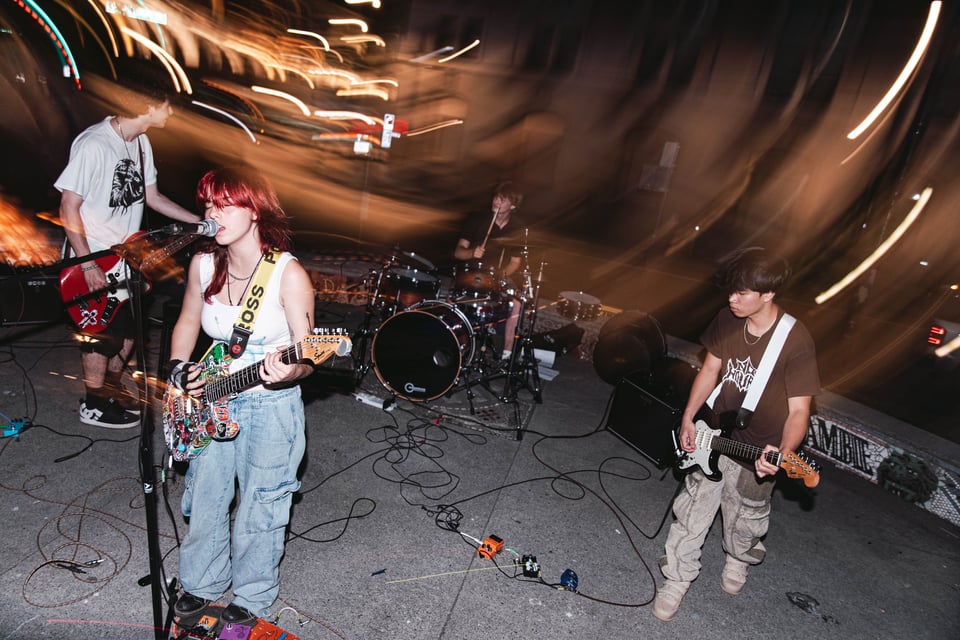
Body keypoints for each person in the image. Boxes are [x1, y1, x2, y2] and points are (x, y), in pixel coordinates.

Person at [168, 167, 316, 625]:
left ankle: (252, 597)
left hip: (269, 405)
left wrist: (290, 371)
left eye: (226, 204)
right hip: (210, 399)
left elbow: (308, 354)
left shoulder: (287, 274)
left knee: (262, 504)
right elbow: (188, 320)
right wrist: (179, 369)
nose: (213, 214)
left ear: (255, 211)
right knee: (206, 496)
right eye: (208, 204)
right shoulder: (203, 263)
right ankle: (201, 582)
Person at [652, 248, 820, 622]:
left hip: (758, 449)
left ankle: (738, 558)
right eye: (731, 290)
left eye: (742, 292)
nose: (732, 299)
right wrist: (689, 418)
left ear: (768, 293)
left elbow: (799, 411)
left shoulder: (795, 340)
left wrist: (783, 451)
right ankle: (676, 579)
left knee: (745, 521)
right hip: (713, 434)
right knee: (691, 512)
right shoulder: (728, 319)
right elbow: (710, 371)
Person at [55, 86, 201, 428]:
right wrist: (87, 263)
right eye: (167, 106)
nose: (171, 113)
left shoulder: (140, 142)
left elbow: (152, 197)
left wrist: (198, 222)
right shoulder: (94, 143)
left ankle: (110, 391)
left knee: (130, 332)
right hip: (92, 258)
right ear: (149, 106)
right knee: (101, 337)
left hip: (126, 260)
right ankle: (93, 404)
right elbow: (68, 206)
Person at [453, 181, 527, 356]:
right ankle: (460, 348)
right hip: (473, 273)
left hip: (498, 276)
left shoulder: (517, 228)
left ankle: (507, 353)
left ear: (513, 206)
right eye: (496, 197)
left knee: (517, 302)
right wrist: (472, 252)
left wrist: (500, 277)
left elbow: (515, 262)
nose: (496, 201)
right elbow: (458, 252)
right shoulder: (477, 220)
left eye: (502, 199)